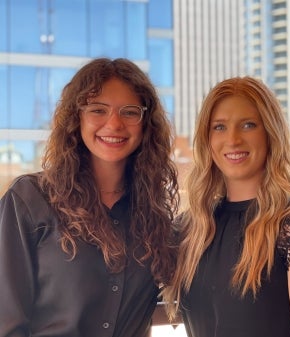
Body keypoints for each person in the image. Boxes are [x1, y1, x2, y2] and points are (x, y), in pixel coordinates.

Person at [0, 58, 179, 337]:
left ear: (145, 123)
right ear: (77, 118)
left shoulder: (153, 216)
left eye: (130, 112)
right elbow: (6, 321)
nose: (115, 123)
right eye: (98, 110)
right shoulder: (29, 200)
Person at [162, 76, 290, 337]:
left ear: (270, 133)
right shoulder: (190, 228)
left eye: (248, 125)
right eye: (219, 127)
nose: (233, 139)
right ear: (207, 139)